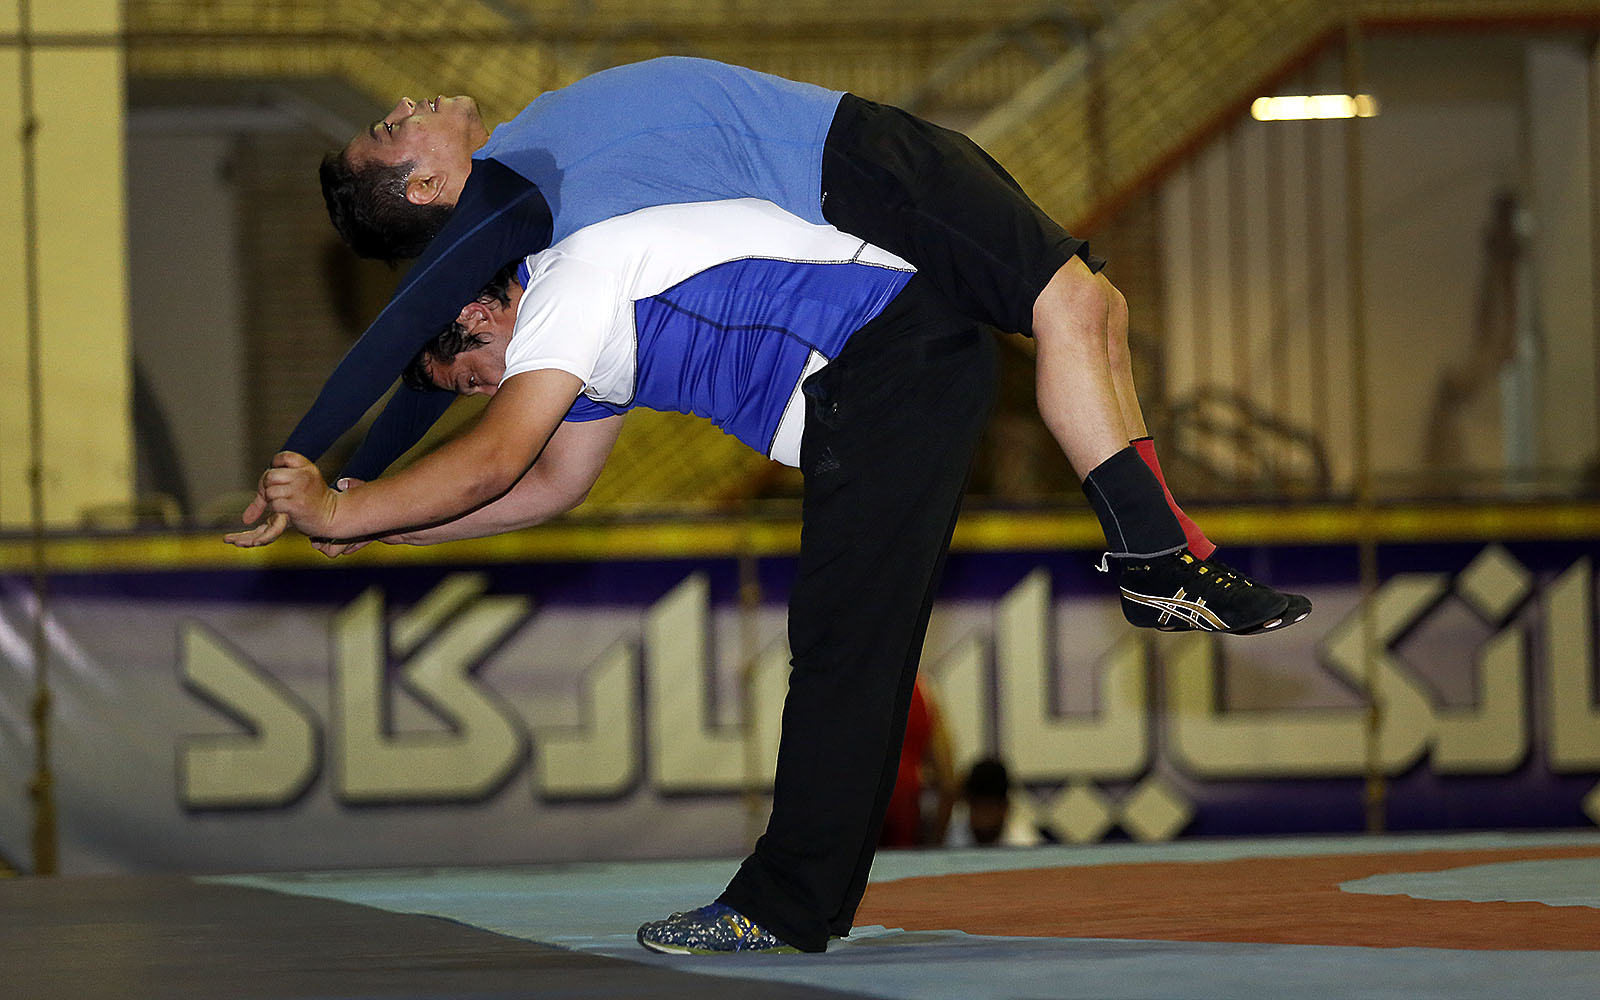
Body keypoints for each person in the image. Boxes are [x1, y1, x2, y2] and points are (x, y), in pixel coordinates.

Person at [226, 198, 1302, 953]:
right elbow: (547, 487)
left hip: (886, 359)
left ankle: (784, 905)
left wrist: (346, 505)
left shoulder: (568, 283)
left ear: (481, 312)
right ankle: (806, 900)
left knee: (839, 650)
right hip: (897, 369)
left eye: (472, 375)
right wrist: (382, 535)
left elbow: (496, 459)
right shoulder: (580, 332)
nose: (486, 392)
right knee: (855, 647)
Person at [252, 56, 1307, 632]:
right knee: (1070, 307)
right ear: (425, 189)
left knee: (1095, 308)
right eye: (391, 131)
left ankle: (1171, 553)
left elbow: (469, 399)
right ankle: (1156, 560)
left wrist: (367, 513)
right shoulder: (532, 215)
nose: (403, 105)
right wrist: (339, 488)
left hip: (861, 154)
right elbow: (414, 354)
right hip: (851, 161)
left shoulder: (525, 168)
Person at [878, 678, 959, 849]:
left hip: (859, 803)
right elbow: (947, 782)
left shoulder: (852, 686)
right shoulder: (922, 690)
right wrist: (934, 845)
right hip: (903, 810)